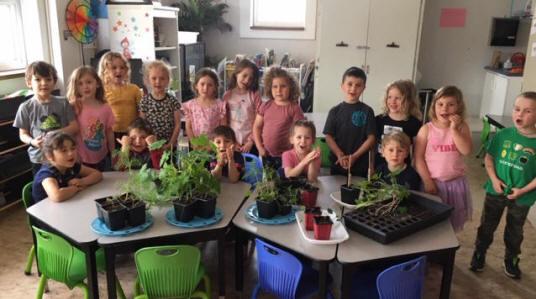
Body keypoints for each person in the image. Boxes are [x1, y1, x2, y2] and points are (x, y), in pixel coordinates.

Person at [470, 92, 536, 279]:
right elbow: (489, 158)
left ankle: (511, 258)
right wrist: (494, 179)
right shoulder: (503, 134)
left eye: (527, 111)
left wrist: (523, 190)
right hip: (495, 190)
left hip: (522, 196)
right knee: (487, 225)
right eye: (517, 109)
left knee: (515, 230)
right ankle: (479, 252)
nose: (520, 114)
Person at [414, 86, 473, 232]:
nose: (444, 108)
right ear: (434, 107)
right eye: (440, 104)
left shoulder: (462, 127)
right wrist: (427, 181)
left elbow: (466, 151)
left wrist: (453, 129)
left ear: (459, 107)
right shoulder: (426, 129)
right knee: (430, 219)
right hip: (433, 183)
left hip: (455, 185)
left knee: (452, 220)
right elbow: (418, 157)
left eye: (450, 104)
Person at [14, 61, 78, 174]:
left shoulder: (63, 102)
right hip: (39, 158)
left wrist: (56, 133)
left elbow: (74, 127)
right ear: (29, 82)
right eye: (38, 79)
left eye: (48, 79)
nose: (44, 83)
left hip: (63, 155)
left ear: (54, 82)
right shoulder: (25, 107)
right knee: (45, 187)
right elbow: (22, 134)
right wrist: (32, 141)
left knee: (68, 183)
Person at [323, 66, 375, 178]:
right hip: (338, 163)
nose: (353, 88)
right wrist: (339, 154)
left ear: (364, 88)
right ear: (342, 86)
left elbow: (371, 138)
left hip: (360, 165)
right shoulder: (334, 111)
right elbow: (328, 136)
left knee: (358, 194)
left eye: (358, 85)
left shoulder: (367, 111)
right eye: (350, 84)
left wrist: (355, 156)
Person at [253, 67, 304, 169]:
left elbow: (300, 133)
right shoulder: (265, 106)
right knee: (268, 181)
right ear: (269, 88)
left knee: (284, 182)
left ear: (291, 88)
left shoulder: (294, 108)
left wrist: (297, 153)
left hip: (287, 156)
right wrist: (259, 148)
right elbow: (256, 127)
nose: (278, 90)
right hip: (266, 154)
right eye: (274, 87)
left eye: (283, 86)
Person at [66, 66, 115, 171]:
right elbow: (70, 133)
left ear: (97, 83)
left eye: (89, 82)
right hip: (81, 159)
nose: (85, 87)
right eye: (80, 83)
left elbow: (109, 132)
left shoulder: (105, 107)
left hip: (103, 157)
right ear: (76, 86)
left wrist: (113, 153)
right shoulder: (73, 106)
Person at [31, 132, 102, 204]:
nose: (71, 153)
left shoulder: (72, 166)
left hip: (67, 205)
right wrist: (76, 188)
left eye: (73, 148)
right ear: (50, 156)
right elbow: (56, 196)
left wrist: (82, 181)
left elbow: (97, 174)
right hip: (46, 213)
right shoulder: (46, 174)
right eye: (64, 150)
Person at [98, 51, 142, 143]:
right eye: (114, 68)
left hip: (132, 132)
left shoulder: (134, 89)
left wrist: (140, 128)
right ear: (105, 71)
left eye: (122, 67)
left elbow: (141, 110)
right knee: (116, 156)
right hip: (112, 132)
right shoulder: (102, 91)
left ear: (126, 70)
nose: (118, 71)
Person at [375, 79, 422, 166]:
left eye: (398, 98)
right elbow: (372, 147)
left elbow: (417, 153)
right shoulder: (378, 120)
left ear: (408, 100)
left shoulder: (414, 123)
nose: (392, 101)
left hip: (402, 170)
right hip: (379, 168)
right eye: (390, 97)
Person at [139, 60, 181, 149]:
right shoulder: (144, 101)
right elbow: (142, 125)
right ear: (148, 80)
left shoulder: (173, 101)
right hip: (150, 145)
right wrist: (148, 143)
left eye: (162, 78)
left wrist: (171, 143)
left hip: (169, 144)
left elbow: (178, 125)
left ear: (168, 80)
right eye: (154, 78)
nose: (158, 81)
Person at [223, 59, 261, 154]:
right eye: (244, 75)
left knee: (250, 168)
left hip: (251, 142)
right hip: (232, 141)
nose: (247, 80)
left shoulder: (254, 95)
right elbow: (225, 121)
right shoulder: (227, 95)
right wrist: (232, 141)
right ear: (236, 74)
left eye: (251, 78)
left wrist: (251, 141)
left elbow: (259, 121)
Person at [182, 68, 227, 140]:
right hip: (196, 146)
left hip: (214, 145)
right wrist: (194, 143)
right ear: (196, 85)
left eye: (210, 85)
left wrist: (213, 145)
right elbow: (188, 127)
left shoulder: (220, 106)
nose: (205, 88)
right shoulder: (190, 105)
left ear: (215, 87)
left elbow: (223, 128)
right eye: (202, 84)